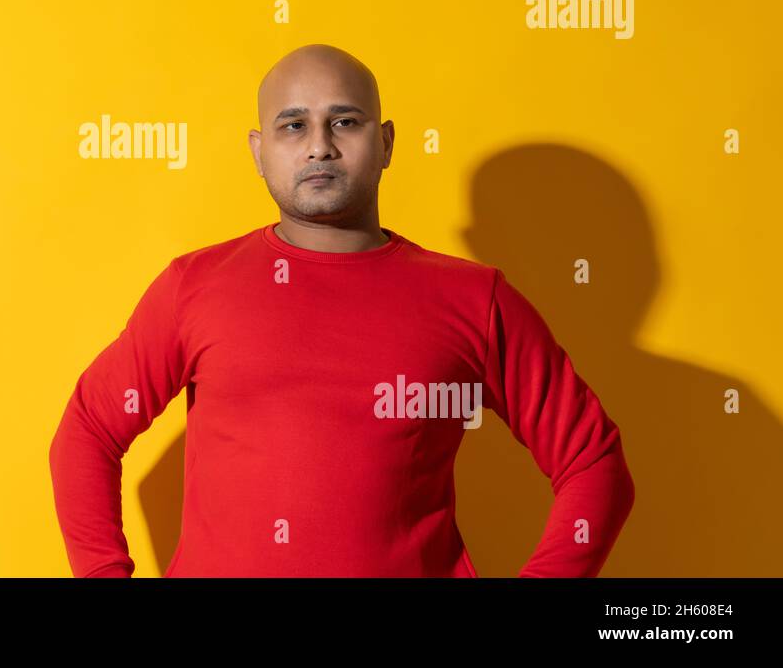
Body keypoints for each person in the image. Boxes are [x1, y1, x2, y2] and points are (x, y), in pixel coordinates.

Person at [48, 43, 636, 577]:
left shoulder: (472, 299)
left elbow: (593, 462)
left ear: (385, 143)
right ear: (258, 151)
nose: (319, 145)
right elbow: (89, 429)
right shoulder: (194, 286)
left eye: (345, 122)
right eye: (293, 125)